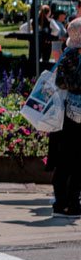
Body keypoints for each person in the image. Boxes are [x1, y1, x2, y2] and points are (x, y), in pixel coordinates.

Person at [50, 15, 81, 217]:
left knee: (64, 160)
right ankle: (73, 202)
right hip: (77, 114)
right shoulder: (75, 56)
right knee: (77, 161)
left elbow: (59, 81)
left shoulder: (67, 54)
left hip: (65, 114)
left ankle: (60, 202)